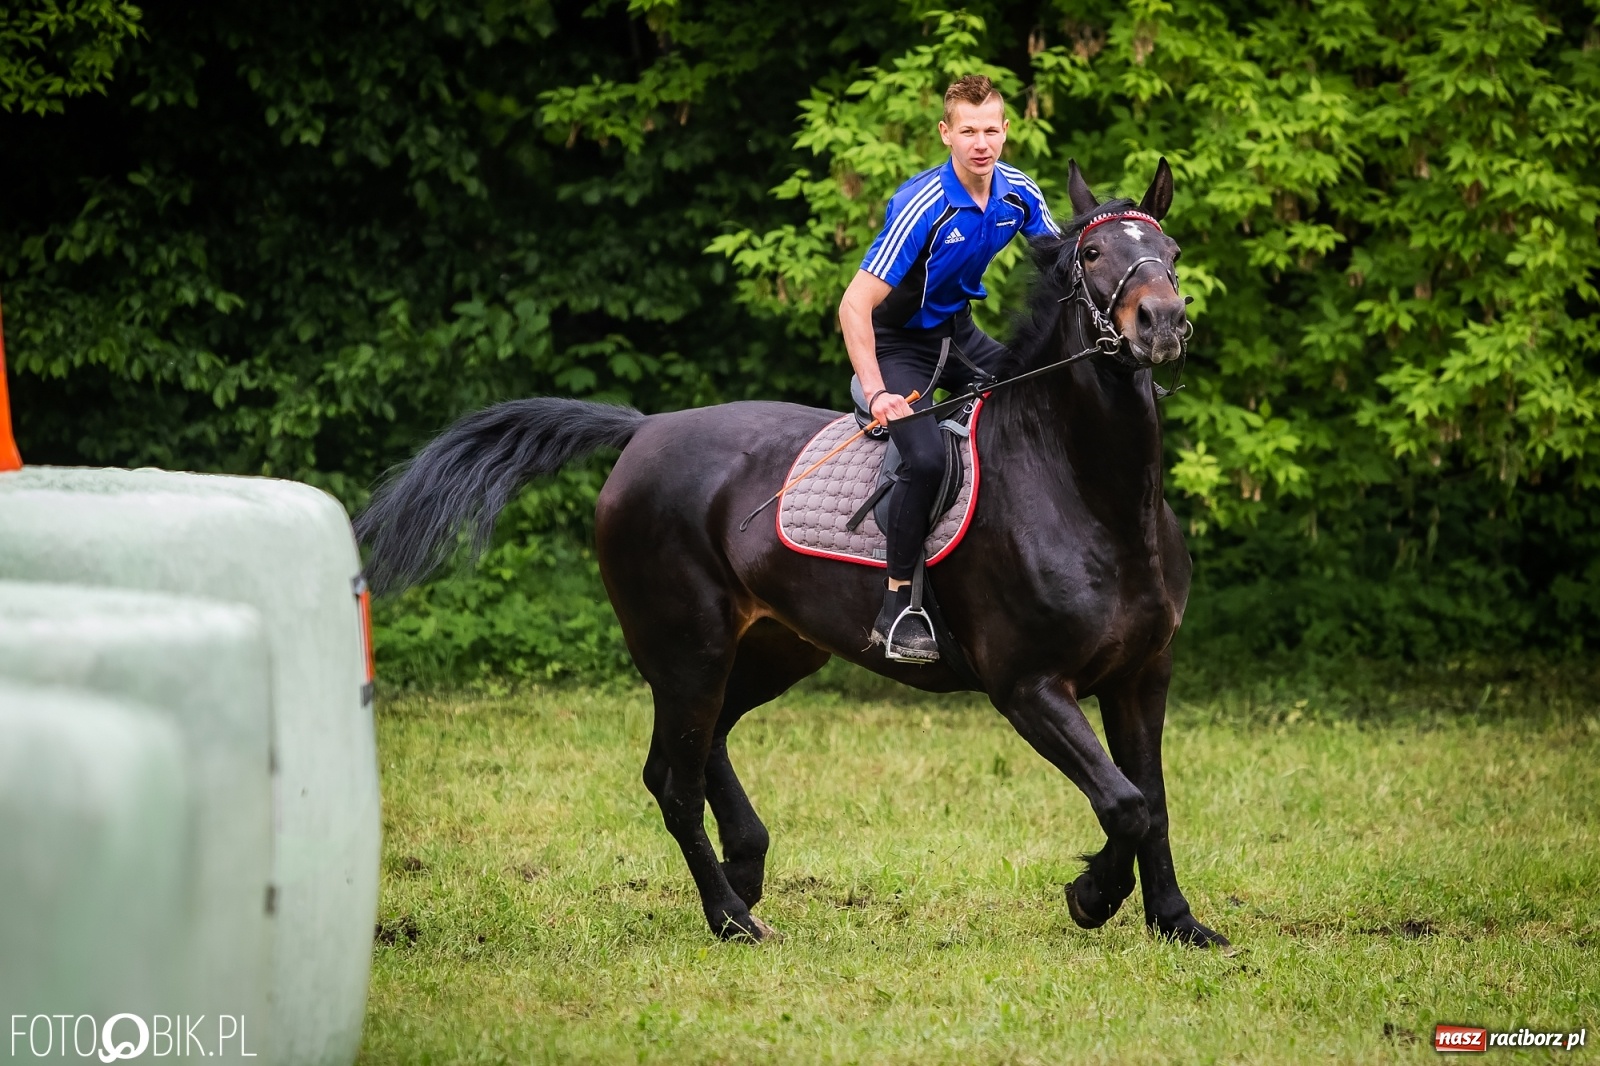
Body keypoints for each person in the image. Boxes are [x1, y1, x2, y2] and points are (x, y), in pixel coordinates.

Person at [838, 74, 1060, 662]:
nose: (981, 142)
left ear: (1006, 131)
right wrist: (880, 391)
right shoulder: (923, 205)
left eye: (991, 129)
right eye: (968, 131)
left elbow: (1067, 269)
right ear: (947, 134)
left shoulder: (1019, 194)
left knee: (1040, 398)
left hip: (957, 336)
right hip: (898, 345)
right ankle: (897, 608)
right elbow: (854, 305)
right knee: (928, 455)